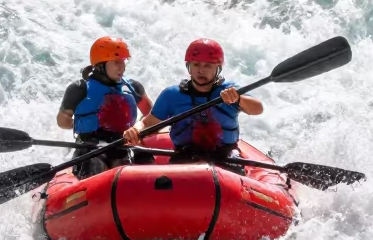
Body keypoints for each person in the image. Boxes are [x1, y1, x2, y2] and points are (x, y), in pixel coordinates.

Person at [123, 39, 263, 167]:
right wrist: (135, 130)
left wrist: (238, 99)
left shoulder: (229, 91)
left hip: (225, 157)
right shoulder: (172, 95)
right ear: (188, 66)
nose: (201, 70)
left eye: (208, 65)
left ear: (218, 68)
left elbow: (258, 109)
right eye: (196, 64)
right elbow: (148, 123)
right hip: (185, 156)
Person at [57, 36, 152, 176]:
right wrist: (85, 123)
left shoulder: (133, 87)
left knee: (144, 159)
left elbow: (152, 114)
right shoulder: (80, 89)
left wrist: (136, 129)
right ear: (101, 64)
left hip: (122, 144)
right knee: (93, 165)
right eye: (116, 62)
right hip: (90, 147)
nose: (122, 67)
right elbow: (62, 121)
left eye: (123, 62)